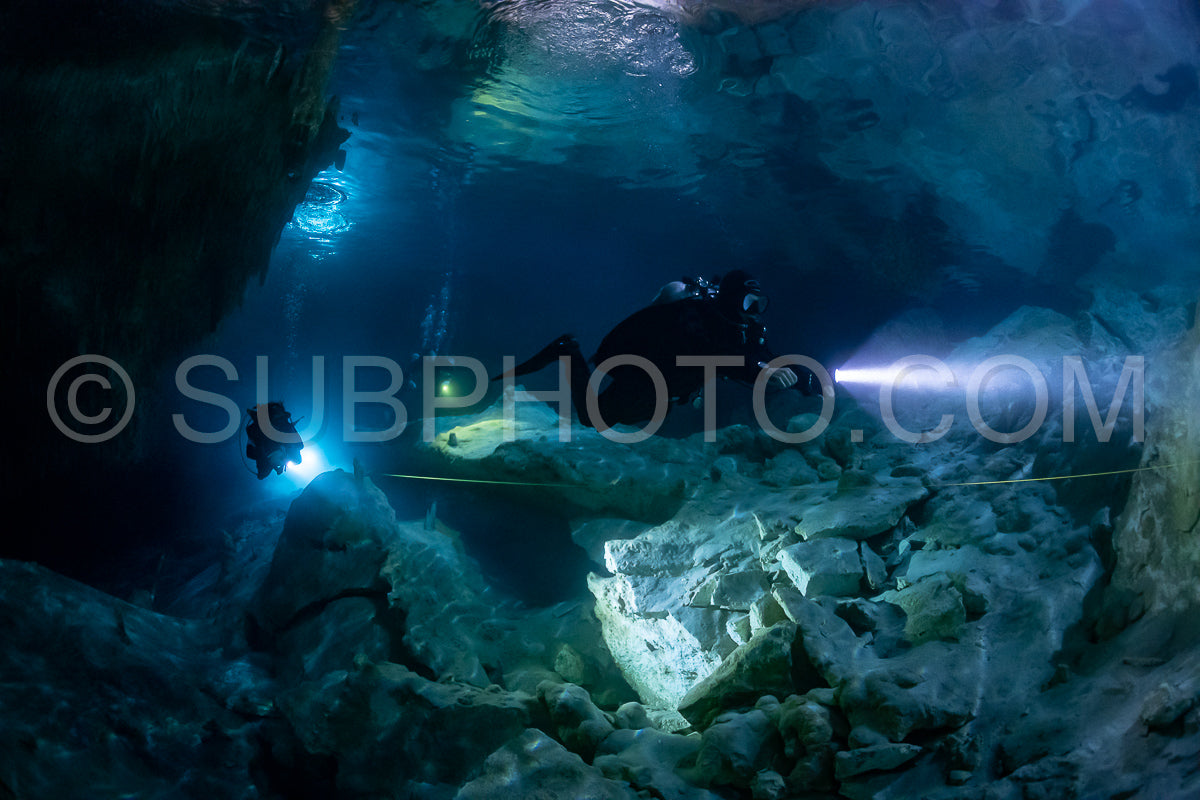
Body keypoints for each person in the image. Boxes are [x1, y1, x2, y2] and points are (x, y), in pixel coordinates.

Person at [495, 271, 817, 430]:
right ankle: (568, 352)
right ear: (733, 300)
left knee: (646, 416)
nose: (754, 312)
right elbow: (716, 355)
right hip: (645, 372)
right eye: (749, 303)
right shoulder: (698, 315)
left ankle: (570, 354)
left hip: (664, 388)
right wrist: (760, 372)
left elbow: (765, 358)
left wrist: (805, 380)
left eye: (760, 305)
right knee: (592, 418)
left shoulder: (741, 328)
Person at [245, 401, 304, 479]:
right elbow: (252, 452)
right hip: (267, 451)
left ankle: (271, 460)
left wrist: (281, 463)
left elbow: (298, 445)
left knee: (297, 452)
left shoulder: (285, 428)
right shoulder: (258, 432)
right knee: (263, 473)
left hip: (272, 451)